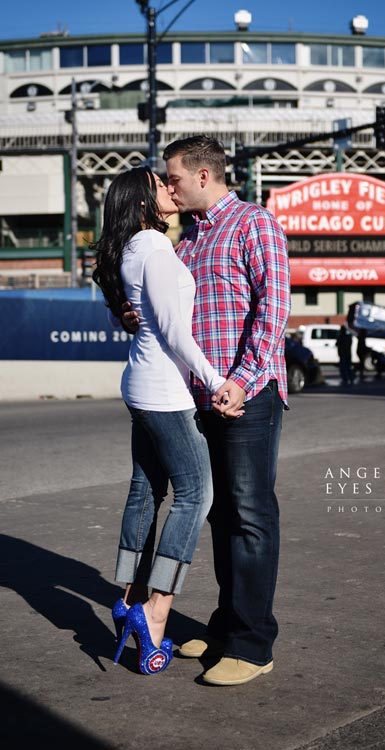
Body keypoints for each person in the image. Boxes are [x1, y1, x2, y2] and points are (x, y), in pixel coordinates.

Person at [124, 135, 290, 686]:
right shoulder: (186, 240)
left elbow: (273, 309)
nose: (166, 187)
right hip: (195, 399)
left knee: (248, 515)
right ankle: (223, 627)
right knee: (218, 514)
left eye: (171, 178)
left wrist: (241, 381)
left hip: (247, 397)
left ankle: (252, 643)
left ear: (201, 175)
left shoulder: (253, 223)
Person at [91, 165, 234, 675]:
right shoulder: (154, 248)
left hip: (138, 383)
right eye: (161, 185)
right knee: (197, 495)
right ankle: (155, 612)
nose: (171, 189)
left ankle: (126, 598)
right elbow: (176, 333)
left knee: (145, 490)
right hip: (164, 390)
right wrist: (218, 382)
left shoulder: (129, 248)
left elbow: (128, 313)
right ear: (144, 200)